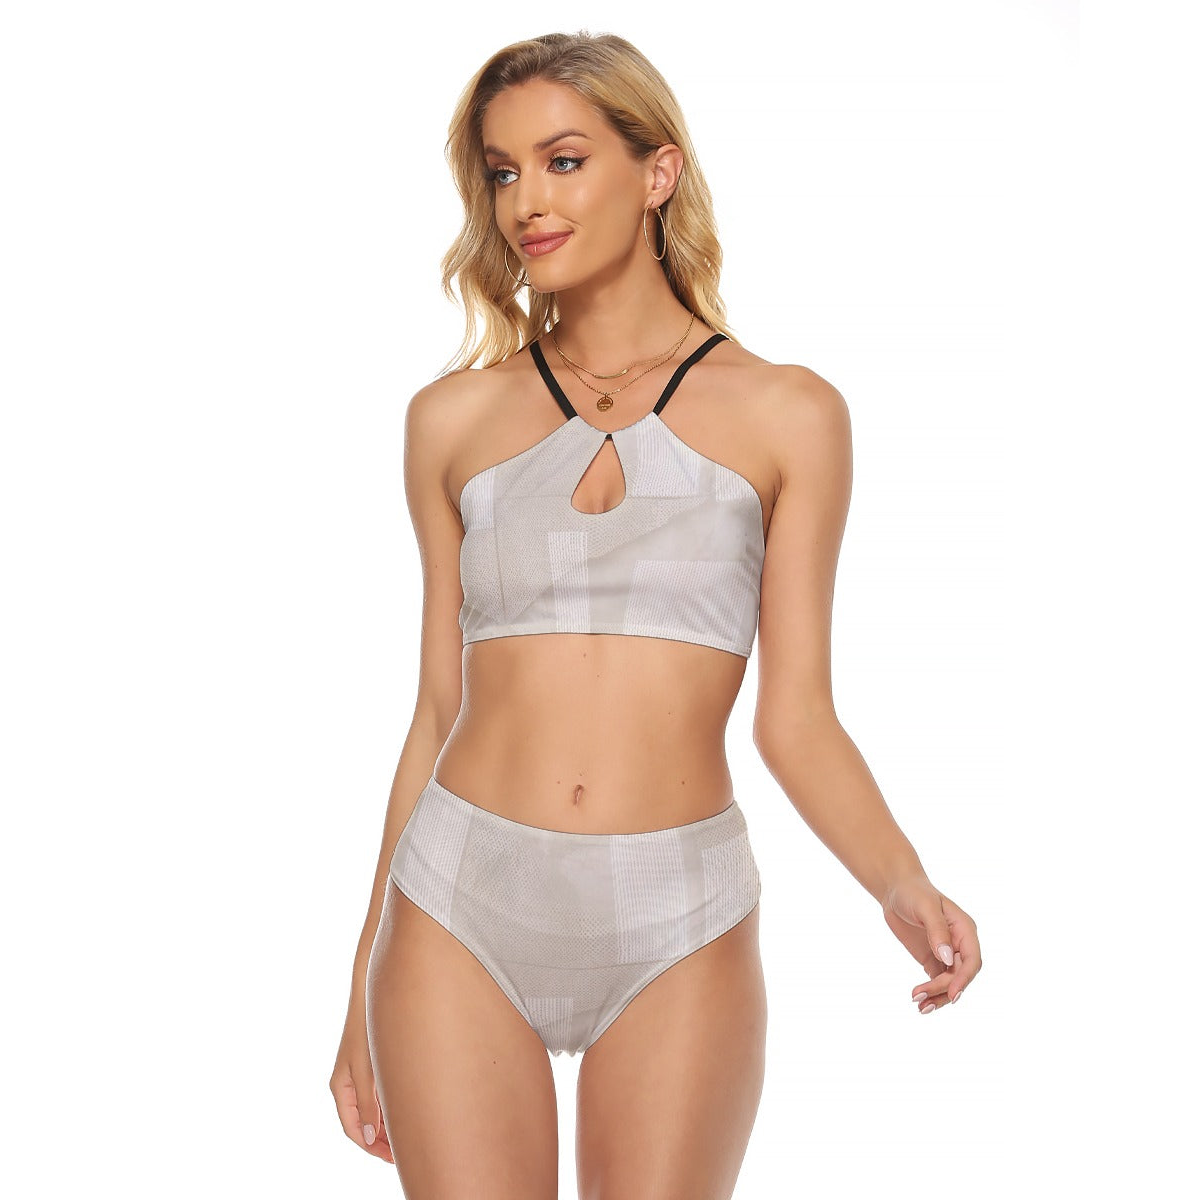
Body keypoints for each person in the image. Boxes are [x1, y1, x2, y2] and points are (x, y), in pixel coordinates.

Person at [329, 29, 982, 1199]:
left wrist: (902, 881)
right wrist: (355, 992)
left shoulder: (790, 414)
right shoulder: (450, 420)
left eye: (564, 160)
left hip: (679, 909)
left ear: (657, 171)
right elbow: (435, 710)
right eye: (503, 171)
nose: (527, 201)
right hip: (457, 898)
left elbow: (797, 717)